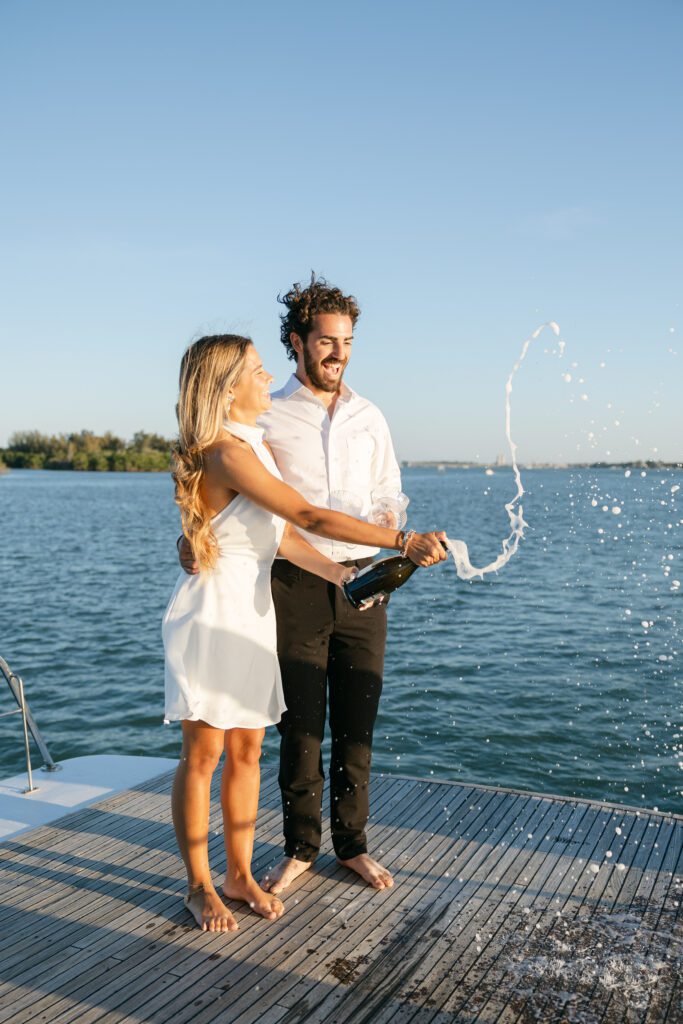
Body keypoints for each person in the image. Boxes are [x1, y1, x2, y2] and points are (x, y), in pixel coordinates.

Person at [165, 333, 446, 933]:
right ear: (226, 388)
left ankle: (238, 874)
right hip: (215, 612)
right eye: (258, 372)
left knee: (246, 751)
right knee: (204, 754)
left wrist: (343, 574)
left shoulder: (254, 448)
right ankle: (198, 886)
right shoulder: (225, 452)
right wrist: (401, 541)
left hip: (254, 611)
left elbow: (284, 538)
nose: (267, 379)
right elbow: (309, 517)